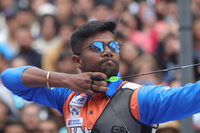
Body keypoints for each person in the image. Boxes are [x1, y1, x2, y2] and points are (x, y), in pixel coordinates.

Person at [2, 20, 200, 133]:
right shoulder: (67, 95)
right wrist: (66, 80)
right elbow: (9, 78)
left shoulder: (139, 98)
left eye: (113, 46)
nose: (108, 51)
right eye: (97, 47)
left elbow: (194, 95)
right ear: (77, 61)